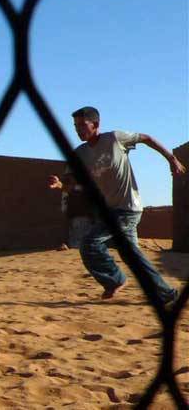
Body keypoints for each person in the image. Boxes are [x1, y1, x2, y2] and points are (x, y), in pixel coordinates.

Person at [47, 106, 185, 307]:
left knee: (89, 245)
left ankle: (115, 280)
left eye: (82, 125)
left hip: (128, 208)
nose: (78, 130)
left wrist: (170, 158)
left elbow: (146, 138)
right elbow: (72, 182)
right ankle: (167, 294)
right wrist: (60, 185)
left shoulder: (115, 139)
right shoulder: (80, 154)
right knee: (133, 257)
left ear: (96, 125)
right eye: (75, 126)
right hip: (109, 210)